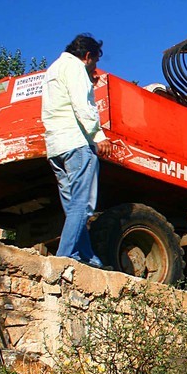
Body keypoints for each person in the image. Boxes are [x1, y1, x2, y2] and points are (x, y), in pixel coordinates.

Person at [41, 33, 111, 269]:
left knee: (73, 206)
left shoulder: (53, 70)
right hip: (76, 143)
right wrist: (99, 136)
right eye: (95, 62)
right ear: (88, 56)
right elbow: (84, 106)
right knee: (83, 205)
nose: (95, 68)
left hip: (55, 148)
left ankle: (87, 255)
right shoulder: (75, 69)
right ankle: (63, 258)